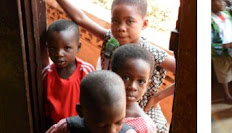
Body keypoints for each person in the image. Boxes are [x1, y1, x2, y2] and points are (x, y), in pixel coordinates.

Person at [55, 0, 176, 132]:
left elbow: (191, 74)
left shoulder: (152, 52)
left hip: (141, 112)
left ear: (144, 23)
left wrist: (157, 98)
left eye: (129, 21)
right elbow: (80, 18)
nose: (121, 27)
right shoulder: (110, 40)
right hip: (111, 111)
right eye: (115, 21)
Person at [46, 71, 136, 133]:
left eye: (118, 122)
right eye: (102, 125)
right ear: (81, 111)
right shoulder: (66, 129)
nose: (112, 131)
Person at [42, 19, 95, 124]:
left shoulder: (86, 72)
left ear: (78, 47)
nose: (59, 53)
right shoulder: (46, 75)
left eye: (67, 48)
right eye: (53, 48)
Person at [111, 44, 157, 133]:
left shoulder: (145, 126)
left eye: (141, 81)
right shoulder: (99, 105)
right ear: (112, 75)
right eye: (126, 78)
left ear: (148, 85)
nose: (132, 87)